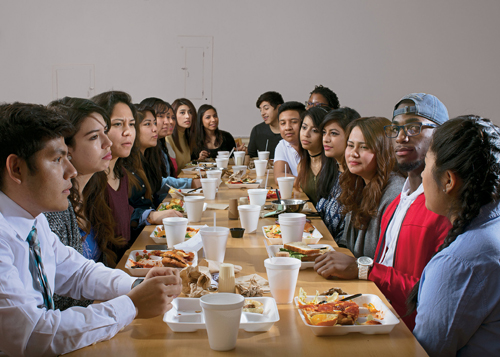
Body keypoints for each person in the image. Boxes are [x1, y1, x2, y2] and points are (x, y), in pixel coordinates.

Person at [0, 102, 181, 357]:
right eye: (57, 159)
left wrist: (136, 284)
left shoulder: (32, 218)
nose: (70, 170)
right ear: (16, 168)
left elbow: (77, 272)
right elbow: (32, 336)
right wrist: (131, 304)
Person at [315, 94, 451, 331]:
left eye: (414, 127)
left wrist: (361, 268)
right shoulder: (403, 197)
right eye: (396, 129)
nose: (401, 137)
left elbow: (432, 294)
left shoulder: (439, 205)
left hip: (407, 330)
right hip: (378, 313)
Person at [409, 116, 500, 356]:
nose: (422, 175)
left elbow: (427, 351)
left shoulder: (460, 263)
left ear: (448, 180)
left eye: (426, 166)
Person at [44, 97, 122, 310]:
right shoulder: (53, 208)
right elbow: (61, 295)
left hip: (97, 306)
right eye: (95, 137)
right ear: (65, 149)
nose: (109, 143)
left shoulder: (93, 189)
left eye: (105, 131)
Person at [322, 117, 404, 258]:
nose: (354, 153)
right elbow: (346, 242)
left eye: (364, 147)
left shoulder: (395, 192)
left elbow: (382, 258)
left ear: (384, 151)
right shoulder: (358, 182)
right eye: (350, 145)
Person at [133, 104, 194, 208]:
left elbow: (156, 186)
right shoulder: (129, 164)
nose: (155, 129)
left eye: (155, 123)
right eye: (148, 124)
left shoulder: (148, 156)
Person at [315, 107, 360, 242]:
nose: (325, 139)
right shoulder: (332, 170)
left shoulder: (358, 177)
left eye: (333, 133)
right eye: (324, 133)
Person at [295, 106, 329, 206]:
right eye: (304, 127)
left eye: (314, 130)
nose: (306, 134)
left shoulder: (334, 165)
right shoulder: (302, 165)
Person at [140, 97, 178, 176]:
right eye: (160, 116)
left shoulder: (161, 145)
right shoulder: (144, 150)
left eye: (167, 117)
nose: (167, 122)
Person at [273, 101, 306, 183]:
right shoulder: (282, 145)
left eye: (294, 122)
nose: (287, 127)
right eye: (283, 123)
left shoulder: (313, 144)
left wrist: (291, 179)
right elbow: (279, 176)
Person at [248, 91, 284, 159]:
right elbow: (251, 156)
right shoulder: (257, 130)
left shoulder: (290, 131)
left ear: (279, 108)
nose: (262, 113)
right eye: (260, 110)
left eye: (266, 108)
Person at [166, 98, 196, 174]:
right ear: (174, 115)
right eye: (182, 113)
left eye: (190, 112)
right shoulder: (168, 137)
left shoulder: (187, 136)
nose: (187, 116)